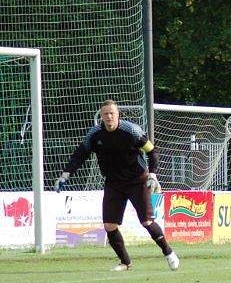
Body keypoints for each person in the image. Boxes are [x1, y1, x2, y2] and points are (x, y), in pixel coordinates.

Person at [55, 98, 179, 271]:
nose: (109, 117)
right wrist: (65, 175)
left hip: (137, 181)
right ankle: (125, 262)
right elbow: (79, 154)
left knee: (146, 222)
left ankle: (169, 253)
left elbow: (152, 151)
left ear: (118, 115)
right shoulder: (95, 134)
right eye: (105, 114)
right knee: (109, 225)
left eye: (112, 113)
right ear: (101, 116)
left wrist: (152, 174)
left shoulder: (132, 131)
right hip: (113, 183)